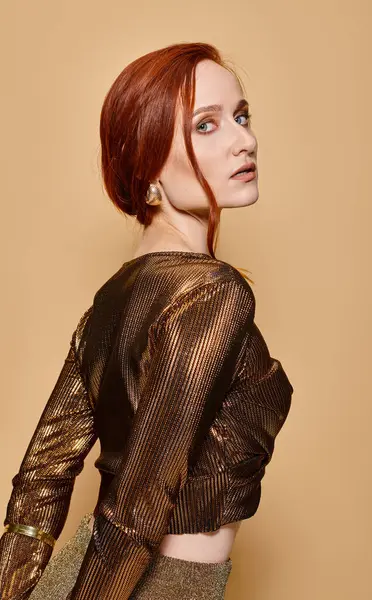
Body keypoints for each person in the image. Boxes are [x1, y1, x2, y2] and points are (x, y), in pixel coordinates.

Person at [0, 42, 294, 600]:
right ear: (147, 163)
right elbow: (139, 500)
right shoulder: (213, 292)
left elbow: (41, 478)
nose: (244, 139)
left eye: (241, 116)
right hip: (152, 587)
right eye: (205, 126)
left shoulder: (108, 302)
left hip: (81, 577)